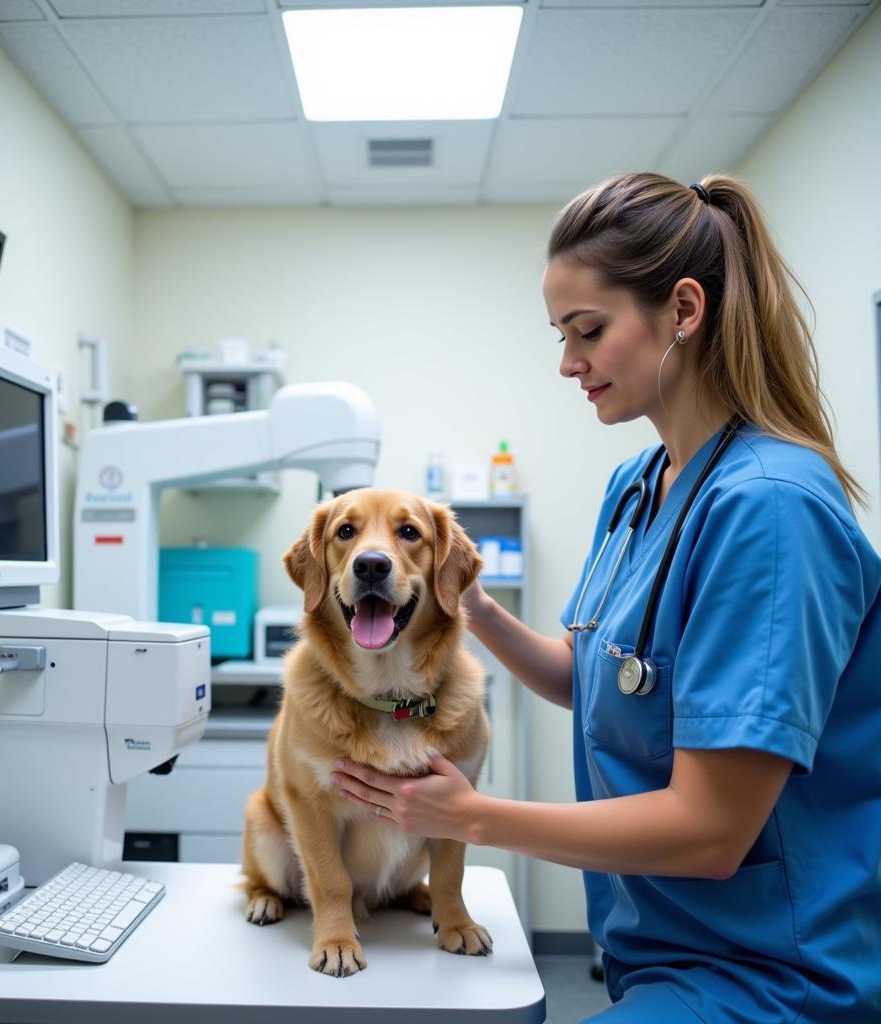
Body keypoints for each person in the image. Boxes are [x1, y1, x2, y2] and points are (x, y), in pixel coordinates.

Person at [331, 172, 881, 1022]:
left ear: (685, 312)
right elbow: (594, 676)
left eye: (588, 330)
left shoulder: (770, 509)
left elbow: (709, 828)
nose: (567, 362)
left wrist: (473, 817)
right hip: (656, 950)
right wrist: (455, 598)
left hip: (773, 974)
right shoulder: (638, 487)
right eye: (560, 334)